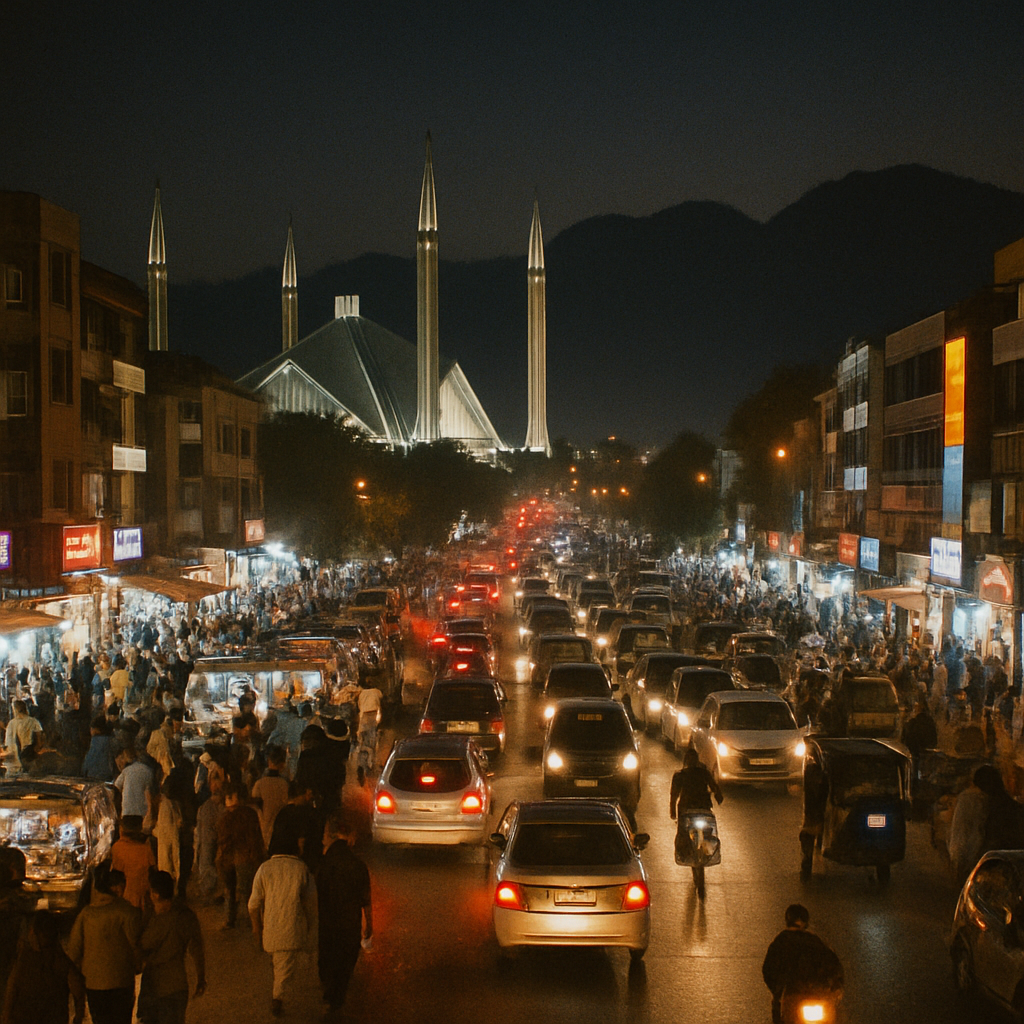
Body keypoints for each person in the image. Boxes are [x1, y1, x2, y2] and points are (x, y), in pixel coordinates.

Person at [248, 831, 318, 1018]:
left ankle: (277, 995)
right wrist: (311, 929)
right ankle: (277, 999)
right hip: (291, 929)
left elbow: (253, 905)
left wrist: (256, 928)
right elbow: (311, 904)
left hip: (270, 930)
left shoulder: (264, 869)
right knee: (284, 967)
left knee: (279, 964)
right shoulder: (301, 869)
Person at [67, 863, 142, 1024]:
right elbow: (136, 945)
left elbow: (74, 950)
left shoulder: (87, 914)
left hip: (94, 983)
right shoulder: (126, 912)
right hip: (121, 980)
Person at [316, 812, 372, 1020]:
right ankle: (337, 999)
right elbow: (365, 898)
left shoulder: (323, 864)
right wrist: (369, 924)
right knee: (345, 961)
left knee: (328, 958)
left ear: (331, 836)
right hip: (350, 923)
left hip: (327, 922)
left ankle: (329, 996)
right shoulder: (358, 865)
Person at [136, 871, 205, 1024]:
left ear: (155, 894)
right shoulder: (186, 915)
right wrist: (201, 977)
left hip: (154, 988)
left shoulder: (154, 920)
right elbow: (197, 948)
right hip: (177, 986)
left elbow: (141, 946)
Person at [762, 904, 844, 1024]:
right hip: (819, 995)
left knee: (778, 1014)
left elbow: (768, 970)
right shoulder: (815, 941)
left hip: (791, 997)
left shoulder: (780, 942)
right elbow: (834, 966)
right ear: (805, 922)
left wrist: (778, 991)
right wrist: (835, 990)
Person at [2, 909, 86, 1024]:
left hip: (25, 1017)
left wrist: (7, 1014)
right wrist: (78, 1015)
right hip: (54, 1018)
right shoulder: (60, 960)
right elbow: (78, 989)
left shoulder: (25, 959)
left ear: (34, 933)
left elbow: (12, 987)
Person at [215, 787, 264, 929]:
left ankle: (231, 919)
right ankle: (254, 922)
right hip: (246, 857)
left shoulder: (226, 818)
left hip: (232, 859)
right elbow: (256, 838)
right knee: (248, 891)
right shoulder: (250, 814)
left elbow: (222, 841)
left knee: (231, 890)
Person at [110, 815, 157, 913]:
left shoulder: (117, 848)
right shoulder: (146, 849)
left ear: (122, 830)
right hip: (143, 897)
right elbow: (153, 872)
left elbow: (117, 875)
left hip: (125, 898)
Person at [252, 745, 291, 849]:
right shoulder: (284, 785)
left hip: (263, 828)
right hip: (281, 828)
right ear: (282, 764)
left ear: (269, 761)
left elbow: (255, 807)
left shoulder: (259, 784)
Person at [2, 701, 44, 776]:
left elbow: (8, 743)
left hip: (15, 760)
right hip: (28, 755)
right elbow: (39, 740)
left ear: (15, 710)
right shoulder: (34, 721)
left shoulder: (11, 723)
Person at [355, 681, 383, 783]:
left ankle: (362, 766)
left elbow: (359, 707)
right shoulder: (377, 692)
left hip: (363, 721)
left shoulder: (361, 694)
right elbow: (381, 701)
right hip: (372, 720)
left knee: (362, 745)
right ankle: (370, 767)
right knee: (371, 745)